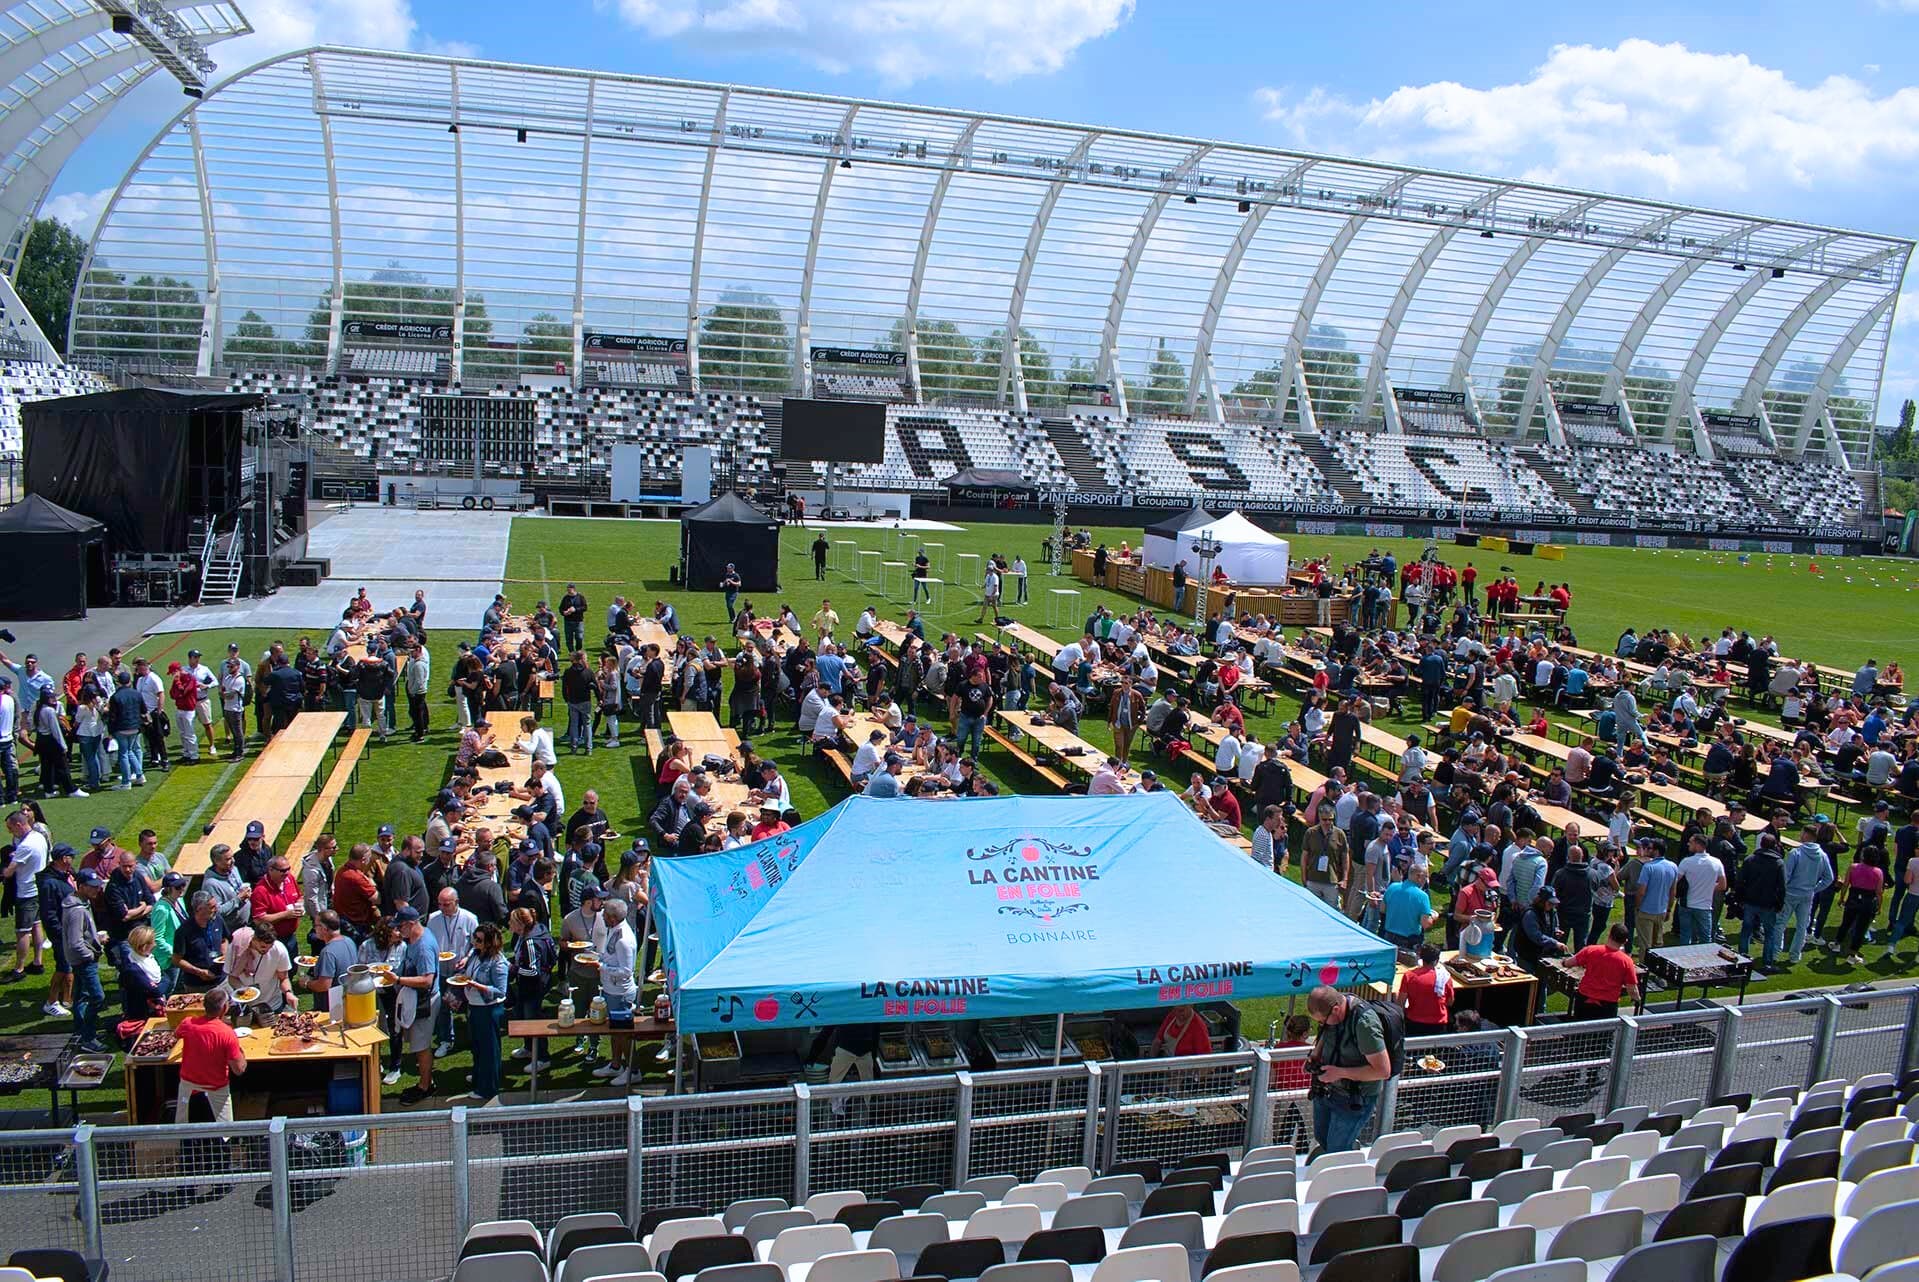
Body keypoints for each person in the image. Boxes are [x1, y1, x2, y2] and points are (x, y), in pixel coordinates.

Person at [1306, 985, 1396, 1153]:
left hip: (1353, 1098)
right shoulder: (1335, 1011)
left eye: (1321, 1021)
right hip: (1327, 1090)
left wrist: (1339, 1072)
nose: (1321, 1025)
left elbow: (1383, 1071)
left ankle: (1344, 1175)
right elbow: (1328, 1031)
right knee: (1322, 1139)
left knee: (1336, 1150)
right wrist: (1316, 1055)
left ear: (1336, 1009)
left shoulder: (1365, 1024)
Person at [174, 988, 248, 1123]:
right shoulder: (227, 1033)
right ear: (224, 1008)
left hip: (188, 1089)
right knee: (221, 1138)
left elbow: (176, 1035)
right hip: (216, 1092)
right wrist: (240, 1052)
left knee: (186, 1136)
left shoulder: (187, 1024)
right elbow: (239, 1069)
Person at [454, 922, 509, 1102]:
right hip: (475, 1006)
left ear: (489, 943)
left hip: (488, 1009)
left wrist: (477, 986)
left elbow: (500, 991)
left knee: (489, 1050)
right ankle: (479, 1077)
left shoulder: (498, 962)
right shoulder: (476, 954)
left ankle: (488, 1088)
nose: (474, 943)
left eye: (479, 940)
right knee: (477, 1047)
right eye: (474, 938)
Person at [394, 906, 442, 1103]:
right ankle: (425, 1082)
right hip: (416, 999)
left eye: (400, 926)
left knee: (421, 1046)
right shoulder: (416, 937)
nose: (398, 930)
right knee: (417, 1045)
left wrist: (397, 979)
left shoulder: (423, 947)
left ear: (412, 924)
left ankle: (425, 1086)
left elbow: (427, 980)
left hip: (425, 1002)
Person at [593, 898, 639, 1088]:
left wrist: (602, 967)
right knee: (615, 1031)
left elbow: (627, 971)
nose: (602, 916)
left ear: (612, 918)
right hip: (612, 991)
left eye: (604, 914)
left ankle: (634, 1071)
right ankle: (616, 1064)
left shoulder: (624, 940)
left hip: (620, 994)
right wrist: (598, 957)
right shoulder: (616, 930)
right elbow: (611, 956)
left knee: (624, 1034)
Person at [1569, 923, 1640, 1020]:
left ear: (1609, 935)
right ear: (1625, 941)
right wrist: (1637, 999)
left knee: (1578, 1032)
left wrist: (1564, 962)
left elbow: (1570, 962)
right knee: (1604, 1034)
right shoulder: (1627, 961)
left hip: (1584, 1000)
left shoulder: (1591, 950)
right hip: (1607, 1005)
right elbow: (1632, 989)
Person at [226, 917, 295, 1014]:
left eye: (270, 947)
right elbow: (231, 978)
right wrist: (244, 991)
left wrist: (288, 993)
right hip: (245, 1006)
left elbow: (283, 978)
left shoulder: (279, 949)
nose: (266, 951)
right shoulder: (236, 948)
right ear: (254, 940)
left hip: (272, 1005)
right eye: (263, 947)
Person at [1674, 834, 1726, 947]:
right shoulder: (1716, 863)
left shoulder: (1687, 862)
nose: (1688, 844)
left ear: (1698, 845)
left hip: (1686, 904)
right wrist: (1709, 887)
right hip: (1705, 906)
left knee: (1685, 936)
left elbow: (1675, 880)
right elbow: (1722, 885)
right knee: (1705, 939)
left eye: (1691, 842)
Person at [1396, 943, 1451, 1036]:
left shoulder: (1409, 976)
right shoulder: (1445, 977)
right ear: (1437, 960)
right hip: (1439, 1025)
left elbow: (1400, 1004)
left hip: (1414, 1024)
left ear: (1421, 958)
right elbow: (1450, 1002)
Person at [1302, 804, 1349, 910]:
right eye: (1324, 819)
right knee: (1310, 909)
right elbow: (1304, 857)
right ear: (1319, 817)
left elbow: (1345, 857)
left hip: (1331, 881)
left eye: (1330, 819)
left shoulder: (1340, 834)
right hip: (1313, 879)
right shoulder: (1310, 833)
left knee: (1331, 911)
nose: (1328, 822)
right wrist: (1304, 878)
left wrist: (1345, 879)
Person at [1382, 864, 1438, 950]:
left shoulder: (1392, 887)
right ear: (1418, 876)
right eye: (1425, 877)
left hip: (1388, 937)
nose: (1426, 880)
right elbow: (1425, 924)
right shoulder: (1422, 896)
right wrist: (1433, 916)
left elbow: (1382, 909)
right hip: (1408, 942)